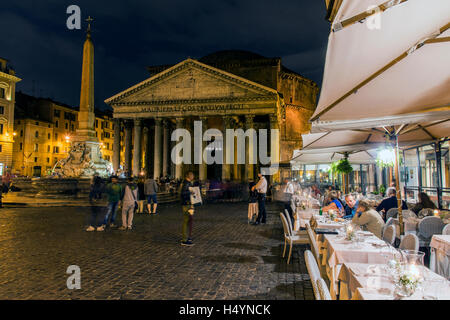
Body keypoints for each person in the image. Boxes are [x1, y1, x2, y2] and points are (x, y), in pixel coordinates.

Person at [180, 171, 195, 246]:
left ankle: (187, 237)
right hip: (187, 204)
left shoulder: (187, 183)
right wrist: (191, 192)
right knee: (186, 221)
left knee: (189, 221)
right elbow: (183, 193)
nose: (193, 176)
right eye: (192, 175)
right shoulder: (186, 183)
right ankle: (184, 239)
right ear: (189, 175)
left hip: (188, 204)